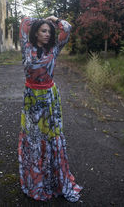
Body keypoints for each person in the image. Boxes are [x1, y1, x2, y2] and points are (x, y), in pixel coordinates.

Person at [18, 15, 82, 202]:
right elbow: (24, 22)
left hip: (49, 97)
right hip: (31, 98)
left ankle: (52, 179)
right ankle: (36, 180)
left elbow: (68, 29)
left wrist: (56, 20)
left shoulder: (54, 48)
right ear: (36, 32)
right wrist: (43, 19)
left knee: (50, 137)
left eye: (49, 31)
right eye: (43, 31)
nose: (47, 34)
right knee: (33, 138)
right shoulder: (26, 46)